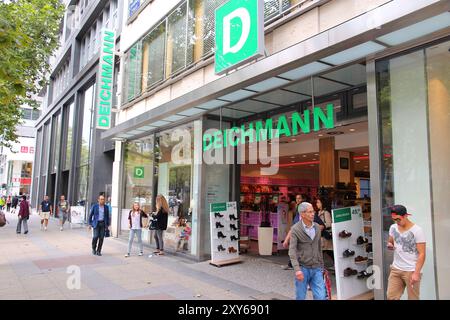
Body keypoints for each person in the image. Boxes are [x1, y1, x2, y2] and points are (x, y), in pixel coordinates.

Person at [289, 202, 326, 300]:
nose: (313, 214)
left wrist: (322, 266)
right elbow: (292, 251)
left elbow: (319, 248)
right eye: (310, 212)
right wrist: (297, 270)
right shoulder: (295, 229)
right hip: (303, 268)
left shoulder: (317, 227)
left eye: (313, 211)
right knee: (300, 297)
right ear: (302, 214)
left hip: (316, 268)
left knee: (321, 297)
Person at [387, 205, 425, 300]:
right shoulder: (393, 227)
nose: (396, 222)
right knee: (391, 297)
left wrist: (416, 273)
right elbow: (390, 241)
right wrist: (390, 244)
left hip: (411, 270)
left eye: (398, 219)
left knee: (413, 298)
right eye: (394, 219)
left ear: (405, 216)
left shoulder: (417, 230)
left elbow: (422, 254)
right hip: (396, 269)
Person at [282, 194, 304, 270]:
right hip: (297, 229)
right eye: (296, 198)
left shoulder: (303, 207)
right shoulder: (297, 206)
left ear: (302, 199)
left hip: (301, 230)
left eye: (299, 198)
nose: (298, 200)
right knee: (294, 247)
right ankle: (291, 264)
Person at [315, 198, 334, 265]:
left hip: (325, 236)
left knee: (324, 252)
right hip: (322, 236)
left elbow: (329, 223)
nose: (317, 204)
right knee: (328, 252)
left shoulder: (325, 213)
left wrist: (321, 225)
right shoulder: (319, 212)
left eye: (318, 202)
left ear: (322, 203)